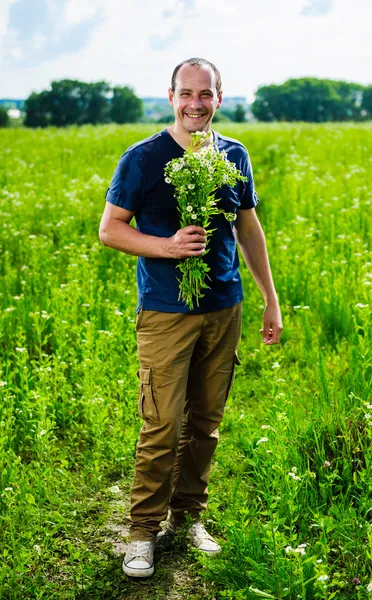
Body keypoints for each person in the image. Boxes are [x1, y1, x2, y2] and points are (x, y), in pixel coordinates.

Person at [99, 57, 282, 578]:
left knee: (206, 423)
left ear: (219, 98)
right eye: (187, 93)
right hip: (165, 312)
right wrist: (167, 246)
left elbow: (249, 230)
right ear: (171, 97)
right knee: (161, 423)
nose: (195, 103)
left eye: (206, 94)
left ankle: (189, 516)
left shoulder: (234, 155)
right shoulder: (143, 158)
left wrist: (269, 298)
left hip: (224, 307)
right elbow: (110, 230)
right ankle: (141, 532)